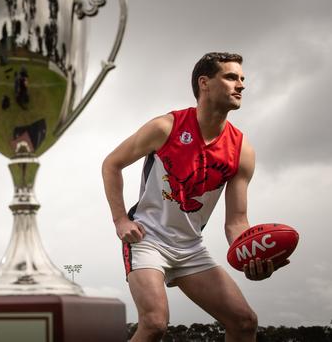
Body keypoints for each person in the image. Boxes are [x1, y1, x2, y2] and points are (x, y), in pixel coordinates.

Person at [102, 52, 287, 341]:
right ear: (205, 83)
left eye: (242, 78)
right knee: (154, 323)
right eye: (230, 77)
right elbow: (111, 164)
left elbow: (236, 222)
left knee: (244, 322)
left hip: (190, 248)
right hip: (147, 239)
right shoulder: (166, 127)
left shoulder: (242, 150)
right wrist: (120, 219)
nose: (241, 85)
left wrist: (250, 254)